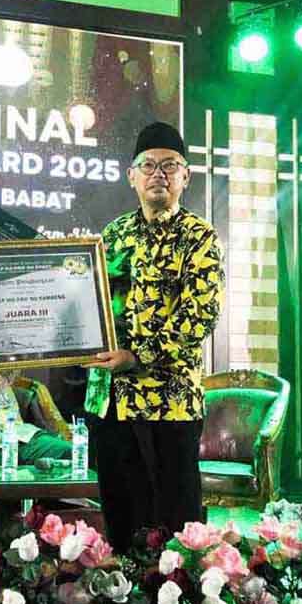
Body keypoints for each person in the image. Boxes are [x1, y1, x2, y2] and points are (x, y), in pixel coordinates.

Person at [83, 121, 222, 550]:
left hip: (170, 402)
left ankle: (176, 595)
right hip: (110, 400)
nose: (158, 174)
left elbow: (200, 315)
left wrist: (137, 355)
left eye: (169, 165)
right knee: (121, 518)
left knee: (175, 527)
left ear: (186, 176)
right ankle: (123, 589)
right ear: (131, 176)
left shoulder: (198, 237)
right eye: (148, 165)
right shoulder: (112, 235)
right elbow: (89, 302)